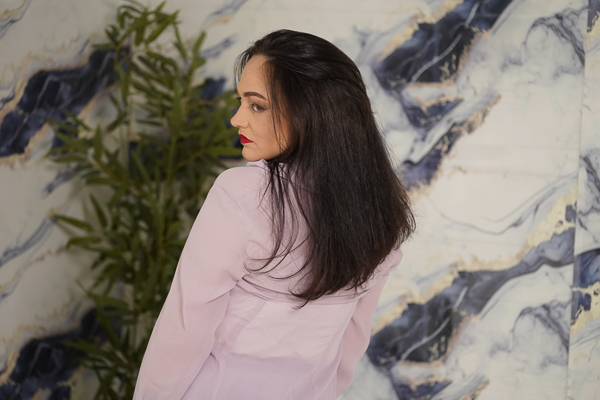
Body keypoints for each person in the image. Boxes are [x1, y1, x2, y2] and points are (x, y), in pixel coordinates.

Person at [133, 29, 415, 400]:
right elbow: (350, 346)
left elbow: (184, 332)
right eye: (241, 102)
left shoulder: (241, 195)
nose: (236, 119)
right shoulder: (380, 209)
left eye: (256, 106)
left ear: (310, 112)